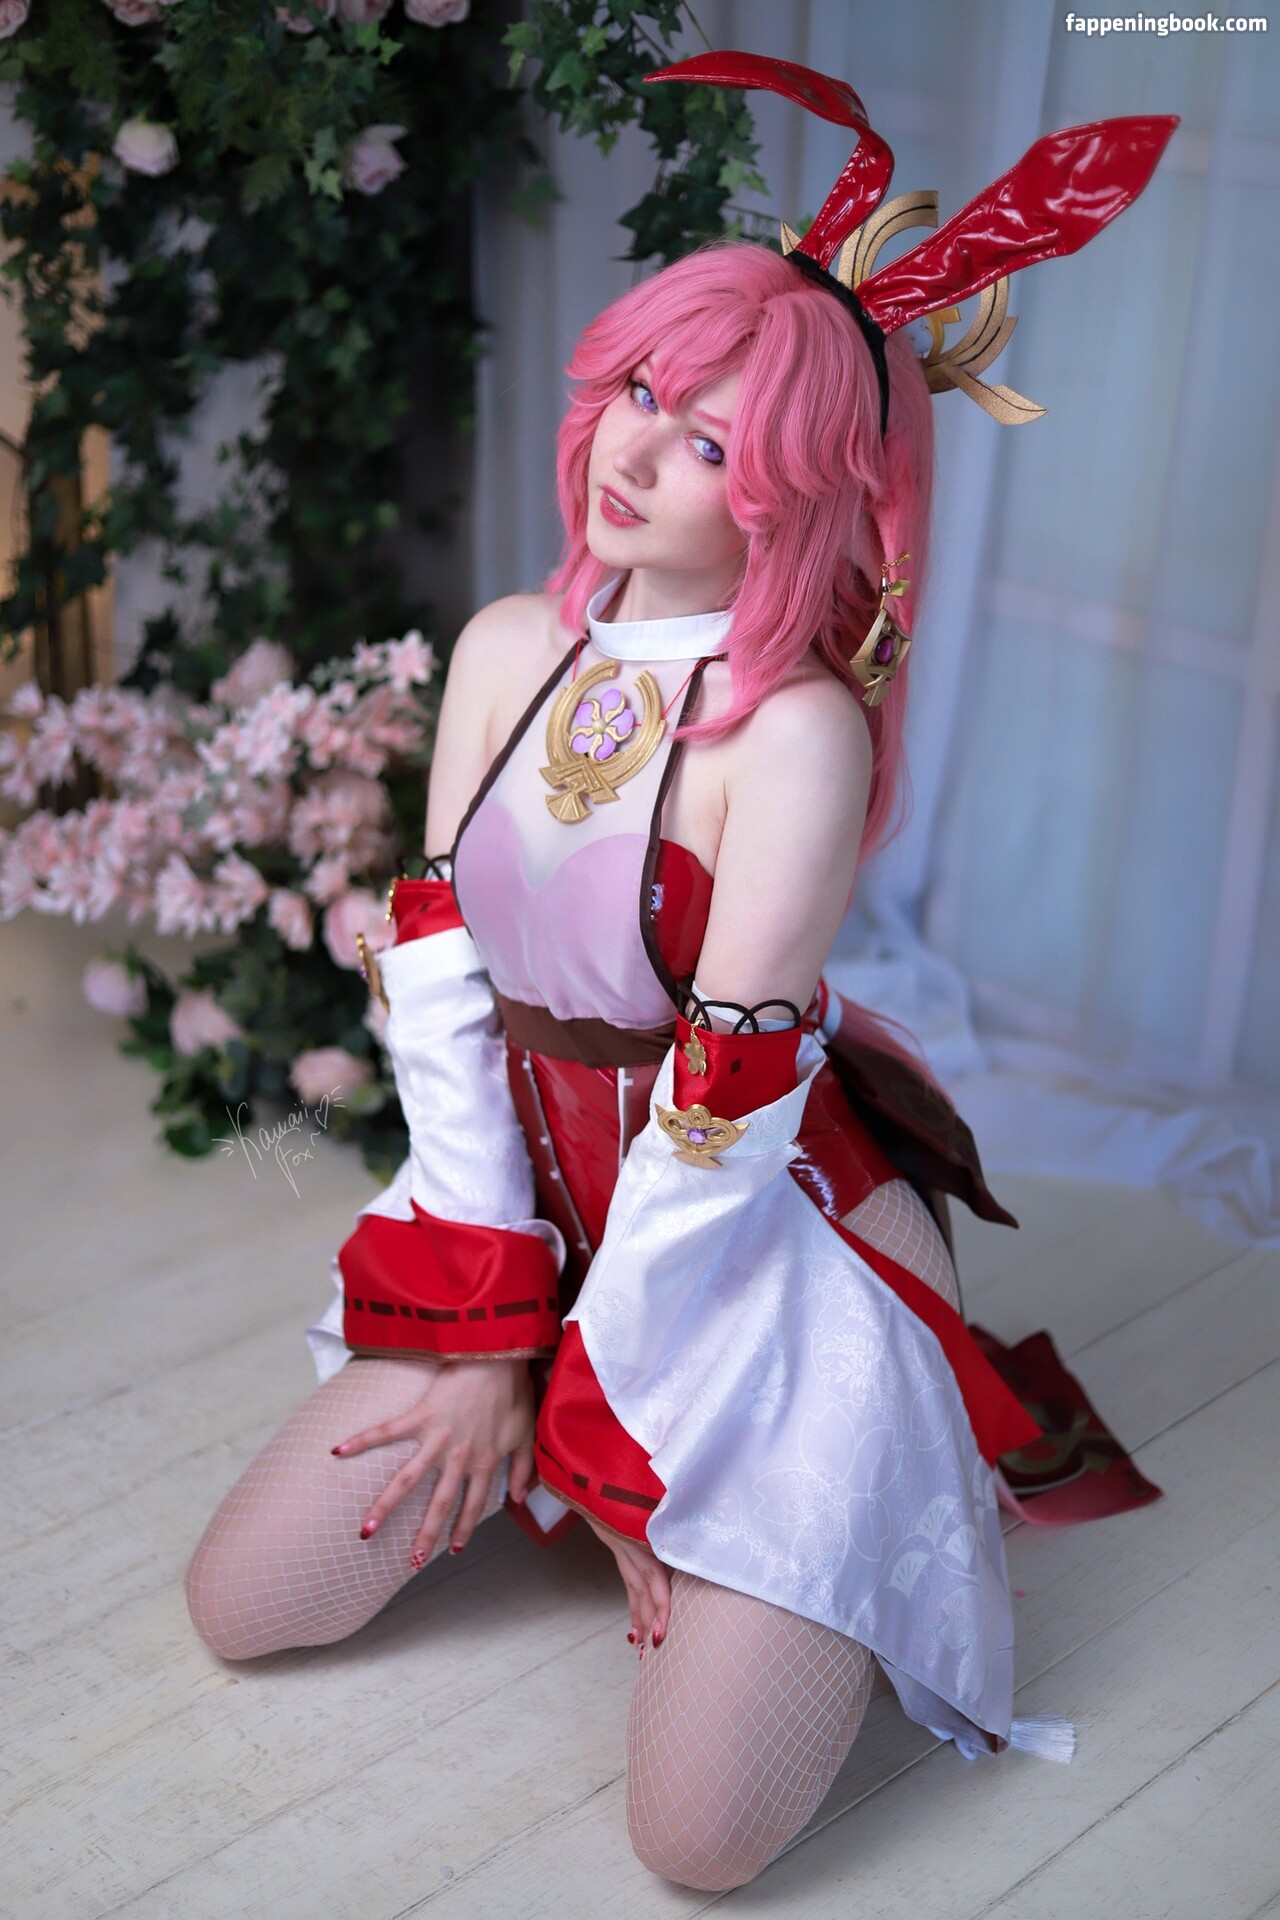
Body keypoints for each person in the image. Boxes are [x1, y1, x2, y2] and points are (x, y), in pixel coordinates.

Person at [186, 54, 1175, 1893]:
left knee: (700, 1844)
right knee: (243, 1606)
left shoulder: (794, 734)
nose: (635, 455)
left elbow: (721, 1125)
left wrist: (609, 1422)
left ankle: (778, 1490)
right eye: (644, 392)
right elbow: (445, 992)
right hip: (528, 1219)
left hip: (742, 1255)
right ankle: (548, 1442)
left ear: (795, 493)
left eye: (712, 442)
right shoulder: (505, 647)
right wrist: (485, 1337)